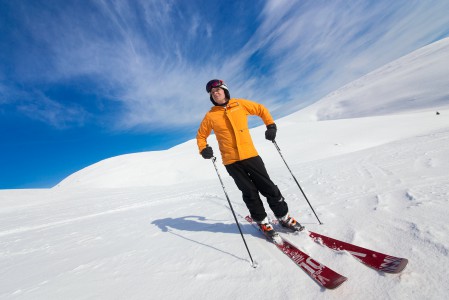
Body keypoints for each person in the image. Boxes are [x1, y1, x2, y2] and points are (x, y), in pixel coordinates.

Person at [196, 79, 303, 239]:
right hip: (231, 161)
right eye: (212, 92)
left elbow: (261, 109)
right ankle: (263, 222)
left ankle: (283, 217)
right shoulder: (210, 116)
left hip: (250, 156)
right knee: (249, 192)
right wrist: (203, 149)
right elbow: (201, 136)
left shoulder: (239, 104)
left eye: (218, 90)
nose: (215, 93)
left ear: (225, 90)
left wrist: (271, 126)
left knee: (269, 187)